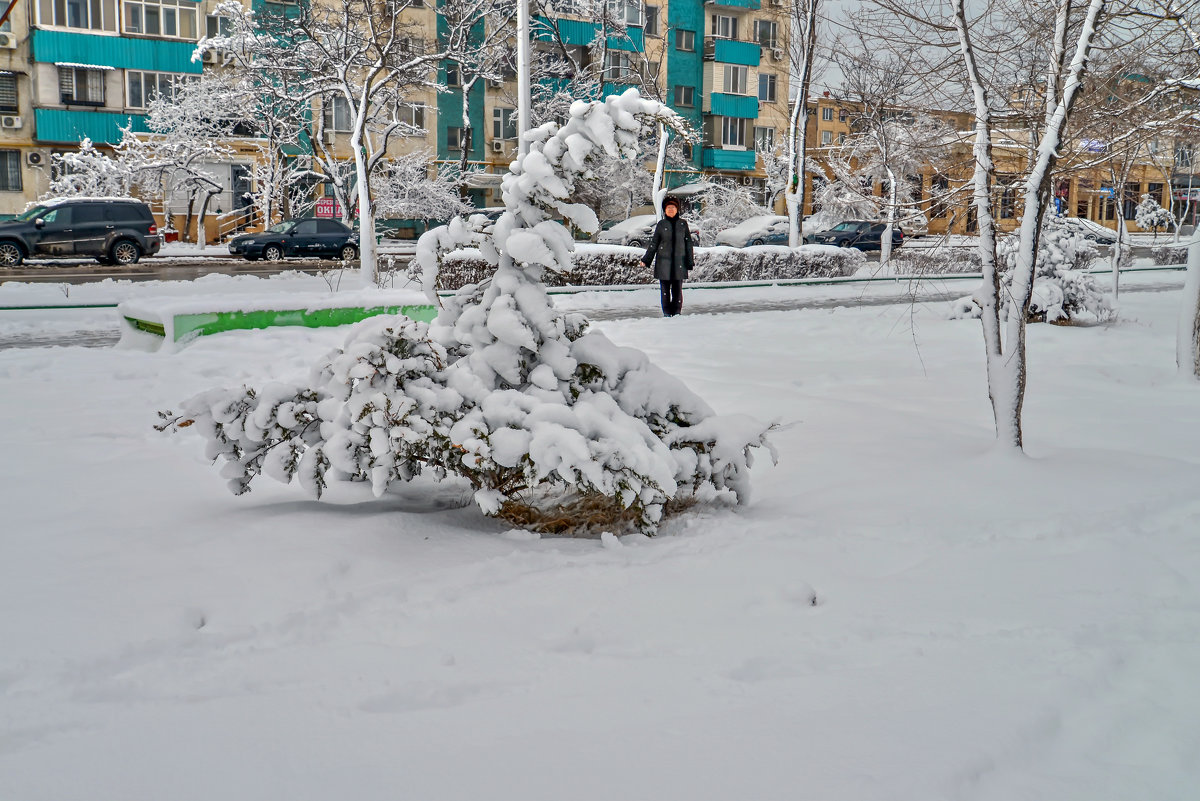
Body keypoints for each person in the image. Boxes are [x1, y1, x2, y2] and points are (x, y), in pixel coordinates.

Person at [640, 196, 694, 317]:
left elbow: (688, 243)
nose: (670, 210)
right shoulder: (661, 224)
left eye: (673, 208)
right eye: (668, 208)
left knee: (677, 291)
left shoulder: (683, 224)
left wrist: (690, 261)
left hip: (679, 262)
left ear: (677, 210)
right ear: (665, 210)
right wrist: (646, 259)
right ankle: (667, 313)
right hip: (663, 263)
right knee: (665, 291)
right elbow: (654, 244)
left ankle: (677, 312)